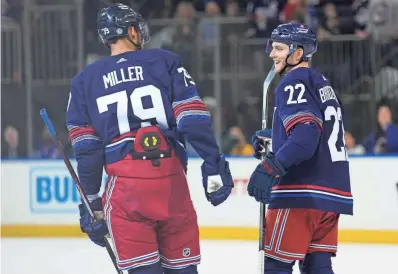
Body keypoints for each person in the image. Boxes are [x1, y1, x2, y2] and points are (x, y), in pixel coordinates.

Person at [66, 3, 234, 274]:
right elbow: (192, 119)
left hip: (126, 193)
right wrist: (213, 162)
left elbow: (87, 150)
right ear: (131, 30)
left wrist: (91, 201)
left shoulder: (83, 81)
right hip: (171, 185)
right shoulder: (166, 61)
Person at [247, 23, 353, 274]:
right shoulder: (321, 82)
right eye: (272, 47)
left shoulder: (293, 81)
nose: (272, 54)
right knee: (317, 266)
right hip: (330, 194)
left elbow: (305, 138)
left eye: (279, 48)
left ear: (298, 53)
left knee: (275, 266)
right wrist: (275, 137)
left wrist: (270, 166)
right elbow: (318, 132)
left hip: (301, 192)